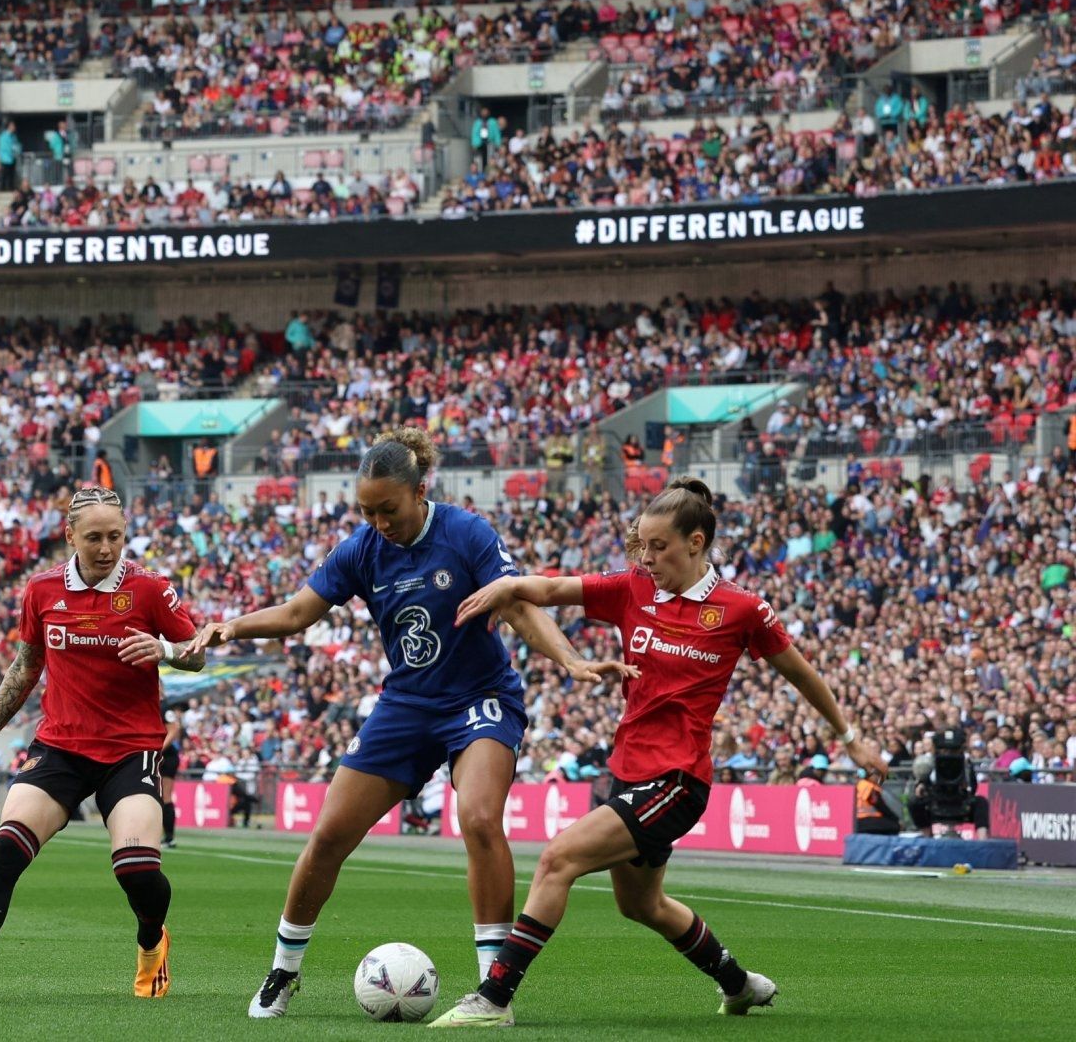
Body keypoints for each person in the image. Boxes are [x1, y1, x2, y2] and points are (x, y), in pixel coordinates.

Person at [180, 427, 632, 1019]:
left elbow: (519, 606)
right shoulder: (360, 550)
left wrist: (569, 660)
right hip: (407, 705)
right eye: (367, 511)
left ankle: (492, 990)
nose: (378, 523)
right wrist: (230, 627)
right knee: (329, 836)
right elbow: (296, 613)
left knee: (478, 818)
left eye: (387, 509)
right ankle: (282, 972)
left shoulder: (466, 532)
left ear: (420, 491)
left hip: (479, 699)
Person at [431, 476, 887, 1027]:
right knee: (641, 904)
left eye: (658, 546)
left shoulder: (742, 610)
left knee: (557, 860)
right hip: (629, 772)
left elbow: (801, 674)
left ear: (696, 543)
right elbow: (550, 591)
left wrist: (850, 738)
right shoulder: (633, 589)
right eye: (641, 545)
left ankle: (493, 998)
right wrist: (505, 586)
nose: (646, 558)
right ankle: (739, 984)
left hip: (678, 780)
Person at [0, 486, 204, 1003]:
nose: (106, 548)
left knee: (136, 869)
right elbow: (27, 667)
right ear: (70, 536)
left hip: (130, 749)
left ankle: (152, 940)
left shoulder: (151, 590)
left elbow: (196, 654)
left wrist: (164, 649)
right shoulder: (42, 590)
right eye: (94, 538)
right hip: (60, 748)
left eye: (115, 536)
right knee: (5, 849)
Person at [160, 710, 183, 848]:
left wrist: (159, 749)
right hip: (155, 756)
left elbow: (173, 730)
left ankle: (169, 837)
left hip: (167, 757)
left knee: (165, 797)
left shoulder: (165, 709)